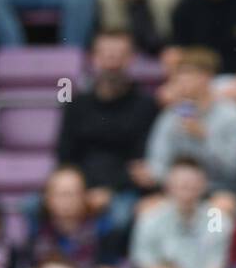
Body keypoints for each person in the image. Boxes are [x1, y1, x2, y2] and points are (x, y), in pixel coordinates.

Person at [55, 28, 159, 231]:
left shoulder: (146, 105)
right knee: (32, 206)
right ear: (93, 59)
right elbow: (65, 154)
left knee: (120, 216)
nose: (112, 62)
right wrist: (82, 191)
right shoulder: (77, 104)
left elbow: (141, 163)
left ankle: (110, 263)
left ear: (131, 59)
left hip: (124, 189)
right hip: (80, 186)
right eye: (105, 55)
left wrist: (109, 191)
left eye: (119, 55)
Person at [129, 159, 233, 268]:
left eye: (192, 182)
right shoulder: (150, 219)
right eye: (181, 183)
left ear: (203, 185)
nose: (186, 187)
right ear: (168, 186)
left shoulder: (216, 218)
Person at [144, 48, 236, 200]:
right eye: (179, 76)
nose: (182, 81)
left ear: (208, 77)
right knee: (147, 208)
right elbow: (157, 161)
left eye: (189, 75)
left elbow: (233, 169)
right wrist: (159, 176)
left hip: (218, 190)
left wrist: (204, 138)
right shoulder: (171, 115)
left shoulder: (231, 114)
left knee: (220, 209)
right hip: (177, 191)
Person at [21, 164, 125, 268]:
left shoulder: (103, 231)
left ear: (84, 197)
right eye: (60, 194)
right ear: (47, 198)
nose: (66, 200)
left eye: (72, 194)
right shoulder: (36, 233)